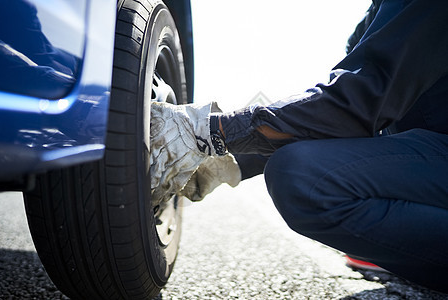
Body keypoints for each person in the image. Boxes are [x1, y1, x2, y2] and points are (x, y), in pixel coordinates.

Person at [150, 0, 448, 293]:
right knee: (302, 167)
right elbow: (333, 116)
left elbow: (357, 103)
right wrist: (228, 158)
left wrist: (207, 131)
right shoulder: (377, 15)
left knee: (303, 178)